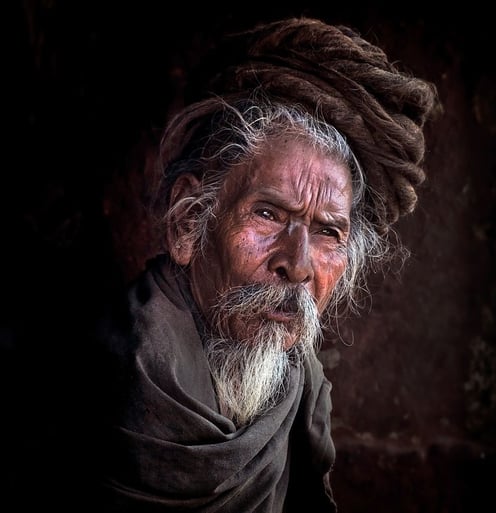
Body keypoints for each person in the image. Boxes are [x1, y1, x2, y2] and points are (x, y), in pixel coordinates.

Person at [93, 16, 440, 512]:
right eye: (268, 214)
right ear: (190, 223)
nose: (297, 266)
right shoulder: (117, 375)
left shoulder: (297, 383)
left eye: (327, 232)